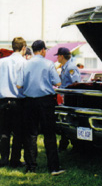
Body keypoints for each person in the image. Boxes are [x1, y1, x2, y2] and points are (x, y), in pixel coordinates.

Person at [16, 40, 65, 176]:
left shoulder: (25, 64)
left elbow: (19, 85)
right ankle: (53, 167)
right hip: (45, 101)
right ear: (43, 50)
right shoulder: (48, 64)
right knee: (49, 134)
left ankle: (31, 167)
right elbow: (58, 82)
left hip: (29, 102)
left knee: (30, 135)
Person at [0, 37, 26, 168]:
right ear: (23, 48)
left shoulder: (2, 62)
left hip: (3, 100)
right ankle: (15, 160)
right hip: (18, 101)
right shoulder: (24, 63)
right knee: (18, 133)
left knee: (4, 131)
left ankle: (3, 158)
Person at [54, 47, 80, 151]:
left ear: (61, 56)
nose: (57, 58)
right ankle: (65, 143)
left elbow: (76, 83)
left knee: (71, 120)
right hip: (66, 97)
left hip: (71, 97)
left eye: (58, 56)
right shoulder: (65, 67)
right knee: (65, 119)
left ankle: (73, 144)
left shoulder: (70, 67)